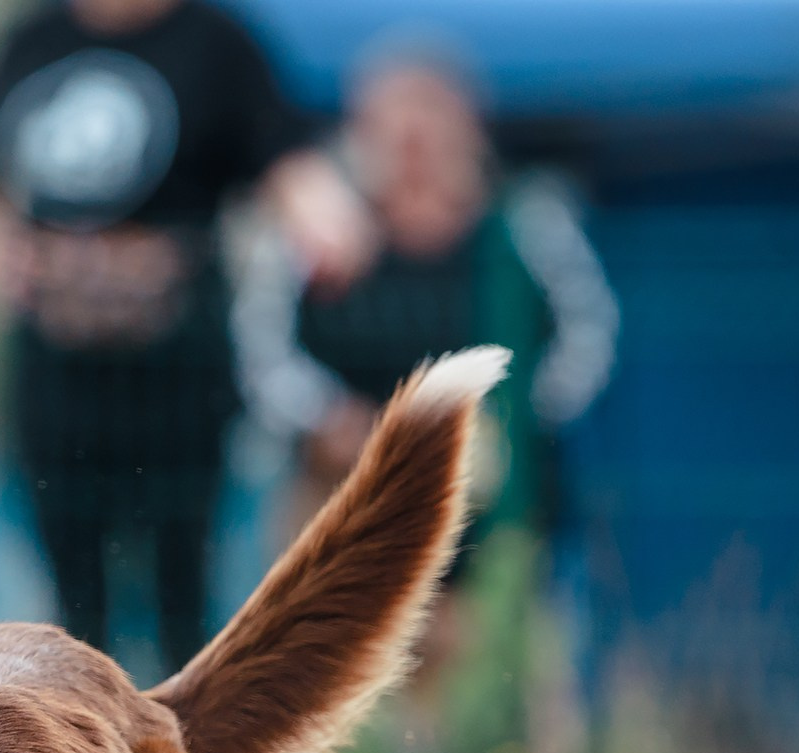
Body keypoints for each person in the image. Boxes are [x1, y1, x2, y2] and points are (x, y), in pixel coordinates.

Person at [0, 0, 370, 675]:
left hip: (179, 370)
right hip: (57, 373)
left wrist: (325, 218)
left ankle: (185, 739)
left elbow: (285, 161)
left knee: (183, 591)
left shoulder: (217, 42)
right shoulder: (36, 37)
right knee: (73, 603)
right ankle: (85, 737)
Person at [235, 47, 616, 701]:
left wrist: (513, 419)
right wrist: (328, 417)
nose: (412, 145)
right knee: (336, 674)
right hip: (346, 494)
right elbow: (262, 348)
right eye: (391, 124)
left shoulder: (526, 224)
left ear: (468, 128)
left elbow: (587, 334)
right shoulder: (312, 236)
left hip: (498, 500)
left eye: (429, 120)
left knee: (504, 671)